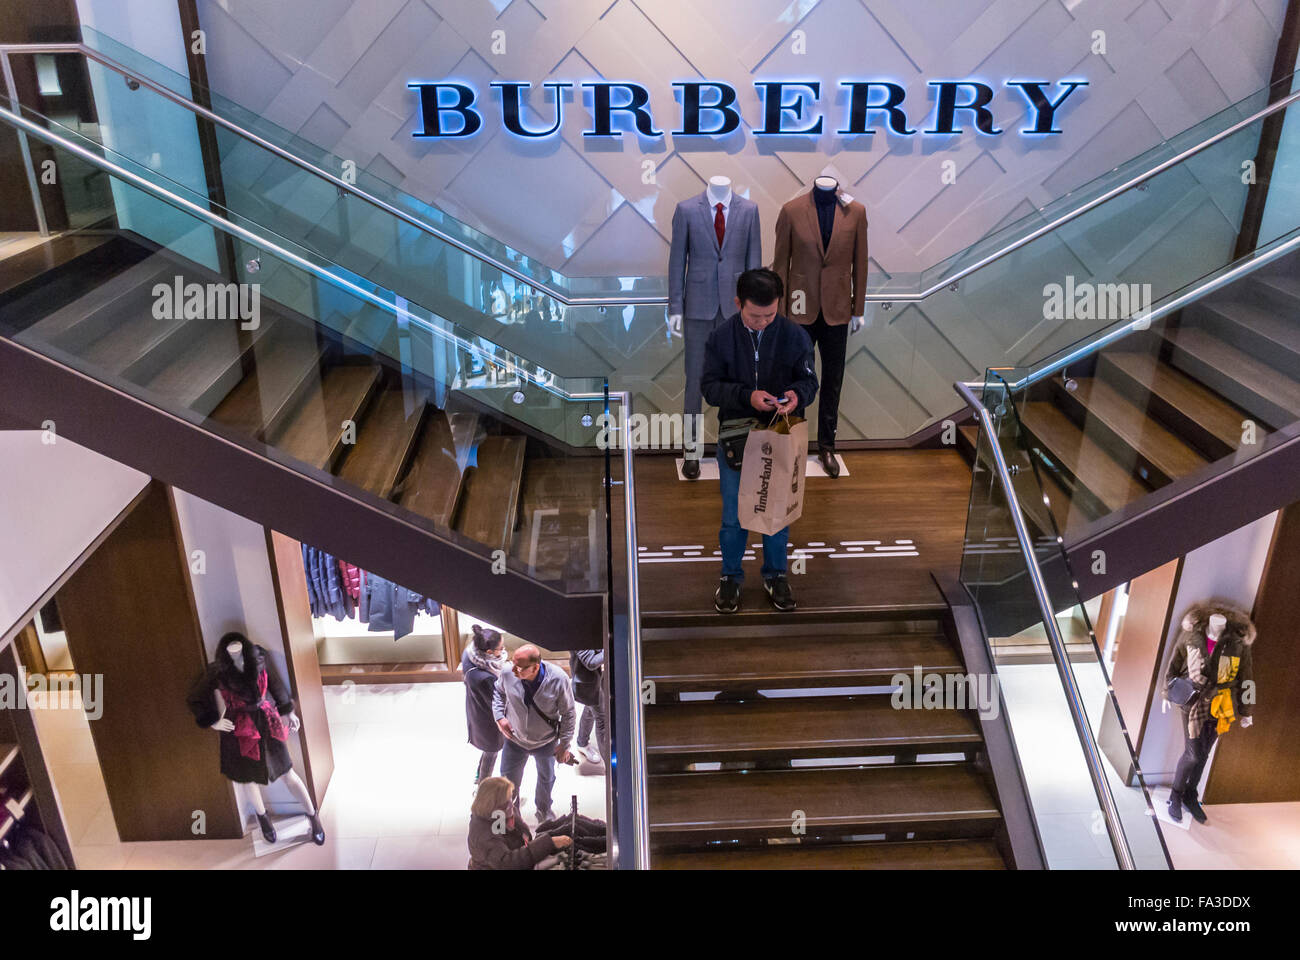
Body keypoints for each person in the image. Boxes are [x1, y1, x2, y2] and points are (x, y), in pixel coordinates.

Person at [701, 267, 818, 615]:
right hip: (737, 437)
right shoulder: (720, 338)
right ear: (738, 303)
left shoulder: (795, 336)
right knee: (735, 515)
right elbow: (708, 387)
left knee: (778, 512)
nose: (763, 322)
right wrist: (746, 396)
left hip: (780, 435)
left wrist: (797, 395)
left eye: (770, 314)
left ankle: (776, 574)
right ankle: (731, 577)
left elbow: (809, 382)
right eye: (755, 316)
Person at [492, 644, 576, 823]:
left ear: (535, 667)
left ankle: (544, 809)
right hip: (515, 740)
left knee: (547, 779)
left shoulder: (559, 679)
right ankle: (512, 814)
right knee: (508, 781)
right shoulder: (508, 673)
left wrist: (565, 744)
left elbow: (568, 713)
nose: (513, 669)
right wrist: (500, 717)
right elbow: (498, 693)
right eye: (512, 663)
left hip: (546, 742)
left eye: (519, 667)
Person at [467, 776, 571, 870]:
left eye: (511, 799)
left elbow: (517, 840)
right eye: (506, 803)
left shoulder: (498, 816)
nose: (512, 805)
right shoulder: (484, 834)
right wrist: (548, 843)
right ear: (492, 805)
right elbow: (507, 863)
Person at [461, 624, 506, 787]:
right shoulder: (486, 677)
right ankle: (483, 786)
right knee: (491, 751)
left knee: (488, 749)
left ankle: (479, 776)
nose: (503, 651)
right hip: (487, 719)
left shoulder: (470, 653)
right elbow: (497, 702)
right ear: (489, 652)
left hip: (475, 708)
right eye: (501, 648)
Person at [570, 648, 608, 766]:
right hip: (587, 686)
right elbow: (591, 662)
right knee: (602, 721)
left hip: (593, 682)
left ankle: (582, 743)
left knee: (589, 711)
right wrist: (610, 647)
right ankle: (609, 763)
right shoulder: (578, 634)